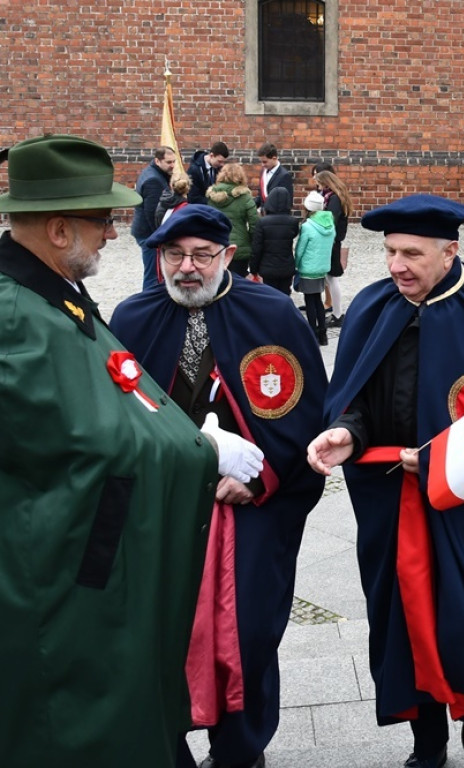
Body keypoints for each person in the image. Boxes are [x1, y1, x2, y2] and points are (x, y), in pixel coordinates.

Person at [0, 134, 262, 766]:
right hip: (54, 584)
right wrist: (199, 448)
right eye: (103, 220)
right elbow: (73, 441)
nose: (115, 234)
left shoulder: (51, 293)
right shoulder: (15, 316)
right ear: (59, 229)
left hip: (86, 570)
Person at [306, 194, 464, 768]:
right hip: (394, 498)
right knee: (403, 623)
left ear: (450, 252)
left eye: (412, 254)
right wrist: (347, 432)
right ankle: (427, 740)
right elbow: (355, 396)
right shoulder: (373, 307)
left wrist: (450, 462)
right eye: (390, 251)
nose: (397, 265)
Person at [110, 205, 326, 768]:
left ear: (227, 255)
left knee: (247, 632)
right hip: (164, 506)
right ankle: (169, 743)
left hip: (252, 505)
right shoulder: (132, 317)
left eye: (201, 255)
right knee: (162, 631)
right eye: (174, 255)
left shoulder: (272, 313)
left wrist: (257, 479)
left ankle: (240, 749)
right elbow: (113, 418)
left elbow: (306, 412)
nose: (186, 268)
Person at [131, 145, 177, 289]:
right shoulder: (154, 180)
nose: (172, 165)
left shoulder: (153, 173)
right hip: (149, 235)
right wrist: (159, 238)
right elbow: (153, 214)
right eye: (168, 162)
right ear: (158, 161)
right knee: (153, 277)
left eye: (174, 161)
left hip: (147, 233)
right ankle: (150, 300)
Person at [294, 190, 335, 345]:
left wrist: (296, 265)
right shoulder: (330, 224)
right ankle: (323, 335)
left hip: (308, 268)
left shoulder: (307, 226)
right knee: (318, 300)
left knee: (310, 302)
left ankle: (312, 334)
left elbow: (300, 249)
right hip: (322, 268)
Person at [207, 162, 260, 278]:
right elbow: (255, 224)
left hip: (217, 245)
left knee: (218, 281)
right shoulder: (244, 196)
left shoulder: (211, 196)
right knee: (238, 282)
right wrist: (250, 241)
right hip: (239, 247)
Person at [315, 170, 353, 328]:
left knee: (332, 278)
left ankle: (337, 314)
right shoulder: (334, 196)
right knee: (330, 278)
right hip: (332, 240)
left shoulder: (334, 198)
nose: (317, 186)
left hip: (331, 241)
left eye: (318, 183)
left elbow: (330, 220)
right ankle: (337, 313)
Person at [250, 186, 300, 295]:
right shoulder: (293, 222)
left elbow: (256, 248)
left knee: (269, 296)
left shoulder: (262, 222)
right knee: (285, 295)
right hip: (286, 266)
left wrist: (253, 269)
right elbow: (294, 235)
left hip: (267, 267)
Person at [255, 142, 294, 213]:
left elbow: (287, 203)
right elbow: (261, 195)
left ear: (274, 158)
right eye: (261, 162)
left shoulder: (284, 175)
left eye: (265, 162)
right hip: (263, 216)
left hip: (277, 216)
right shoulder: (263, 172)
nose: (262, 165)